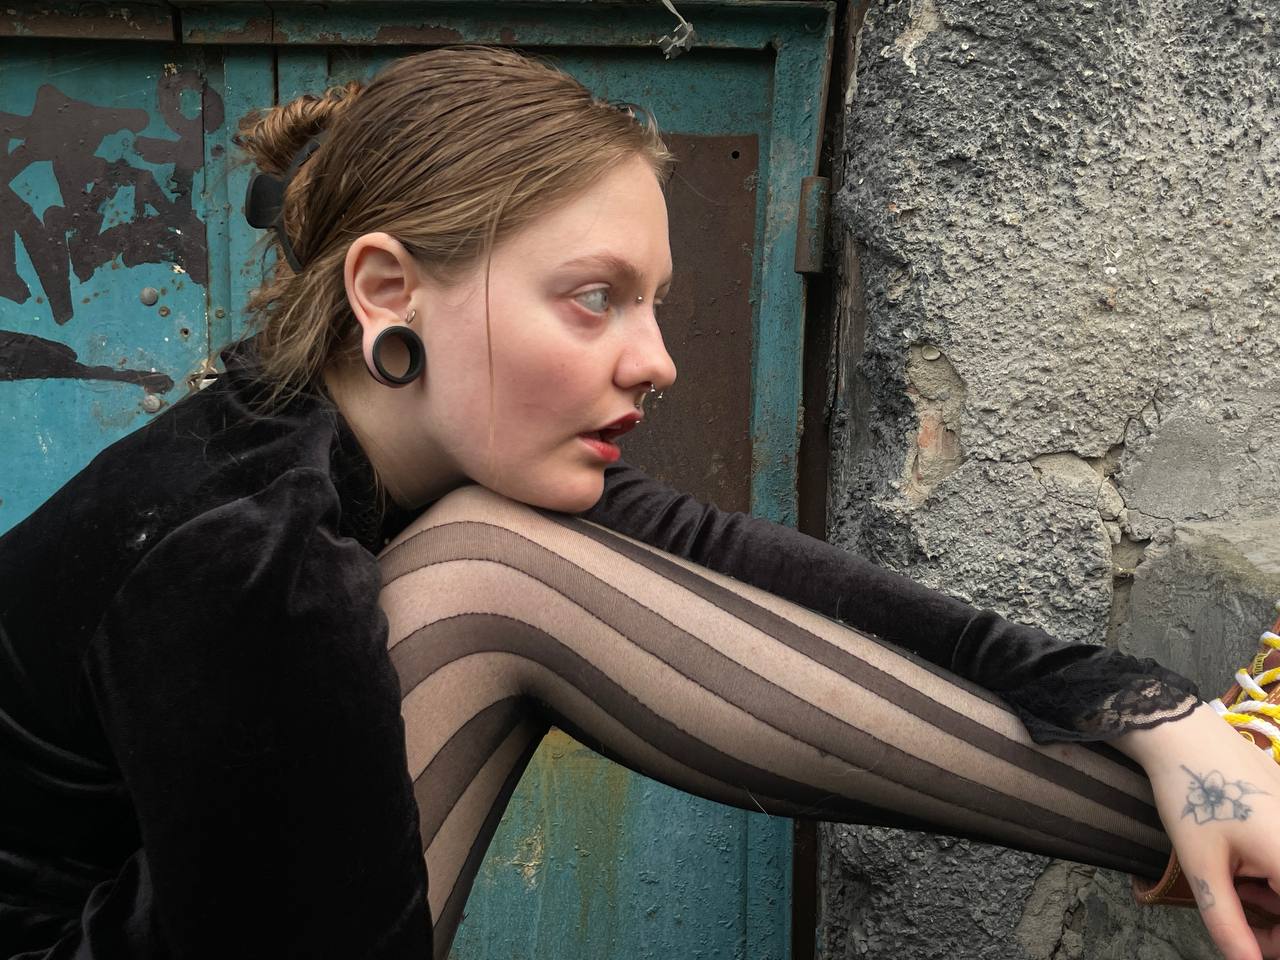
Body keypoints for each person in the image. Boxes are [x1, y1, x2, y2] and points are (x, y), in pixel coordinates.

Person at [1, 44, 1278, 960]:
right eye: (593, 298)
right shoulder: (242, 556)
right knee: (482, 576)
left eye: (653, 303)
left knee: (493, 559)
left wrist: (1154, 716)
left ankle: (1240, 799)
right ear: (387, 291)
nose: (655, 360)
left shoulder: (362, 450)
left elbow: (739, 562)